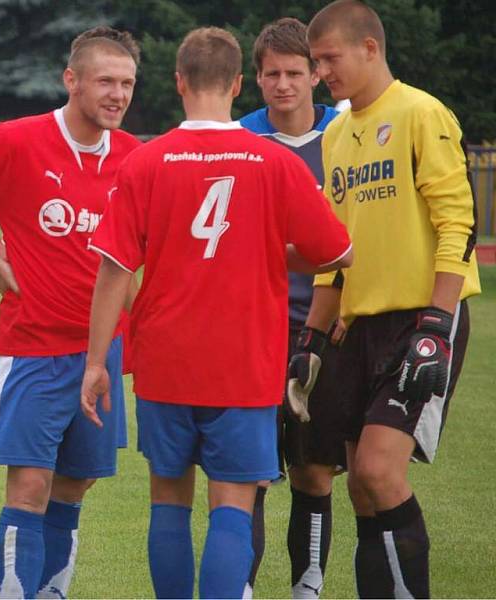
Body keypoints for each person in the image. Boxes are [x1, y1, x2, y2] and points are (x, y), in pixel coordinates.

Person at [81, 26, 353, 599]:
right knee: (233, 501)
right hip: (245, 364)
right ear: (237, 85)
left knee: (168, 502)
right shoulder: (275, 163)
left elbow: (113, 270)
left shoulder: (146, 161)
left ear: (178, 82)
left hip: (164, 363)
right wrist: (269, 248)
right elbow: (339, 251)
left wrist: (95, 362)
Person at [0, 26, 142, 599]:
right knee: (29, 488)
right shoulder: (16, 141)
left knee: (73, 486)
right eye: (105, 81)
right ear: (72, 80)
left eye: (127, 83)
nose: (117, 94)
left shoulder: (136, 157)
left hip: (100, 353)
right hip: (32, 348)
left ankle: (49, 593)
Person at [300, 1, 480, 596]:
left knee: (379, 471)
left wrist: (437, 321)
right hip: (358, 327)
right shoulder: (335, 134)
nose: (322, 71)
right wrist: (311, 342)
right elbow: (335, 252)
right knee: (359, 486)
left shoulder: (420, 112)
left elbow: (460, 222)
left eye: (331, 58)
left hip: (420, 319)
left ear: (370, 48)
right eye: (317, 60)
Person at [239, 17, 344, 598]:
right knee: (248, 471)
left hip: (323, 330)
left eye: (295, 73)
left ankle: (308, 585)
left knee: (313, 469)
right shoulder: (238, 139)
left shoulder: (346, 133)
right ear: (256, 79)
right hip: (252, 329)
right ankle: (245, 585)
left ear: (315, 75)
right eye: (272, 73)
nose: (284, 84)